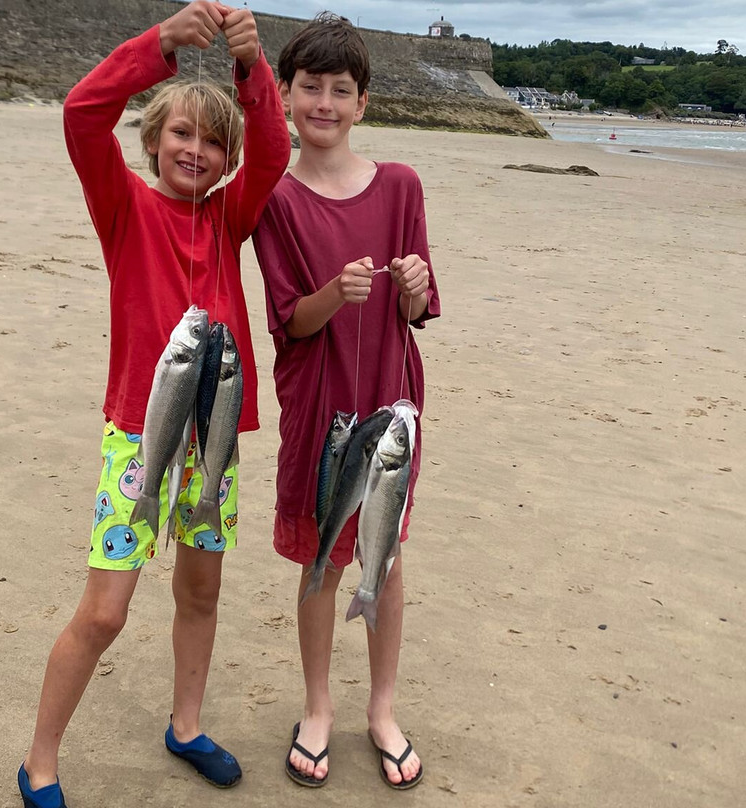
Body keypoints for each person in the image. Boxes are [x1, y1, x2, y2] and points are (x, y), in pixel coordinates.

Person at [17, 2, 290, 805]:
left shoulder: (234, 214)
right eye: (180, 135)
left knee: (200, 591)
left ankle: (186, 724)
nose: (195, 151)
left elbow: (273, 149)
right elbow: (81, 113)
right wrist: (162, 46)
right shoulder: (123, 206)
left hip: (216, 439)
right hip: (137, 435)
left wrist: (251, 69)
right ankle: (39, 760)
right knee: (104, 613)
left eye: (211, 141)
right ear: (154, 140)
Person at [252, 13, 440, 790]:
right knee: (324, 558)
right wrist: (335, 293)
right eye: (309, 88)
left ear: (363, 102)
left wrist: (415, 289)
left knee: (383, 558)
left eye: (340, 90)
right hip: (320, 405)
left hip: (388, 405)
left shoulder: (400, 185)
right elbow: (290, 321)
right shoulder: (275, 201)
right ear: (287, 98)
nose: (324, 103)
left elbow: (418, 311)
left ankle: (383, 709)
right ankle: (319, 706)